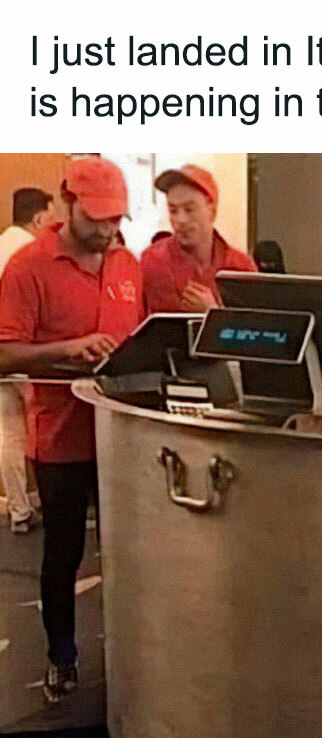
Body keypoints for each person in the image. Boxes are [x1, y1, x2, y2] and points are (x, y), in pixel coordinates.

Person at [0, 157, 143, 703]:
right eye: (98, 218)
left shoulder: (128, 266)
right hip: (61, 435)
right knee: (63, 552)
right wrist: (67, 349)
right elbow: (4, 351)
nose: (108, 230)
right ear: (66, 203)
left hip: (123, 434)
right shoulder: (29, 267)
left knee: (131, 552)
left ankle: (133, 657)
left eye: (116, 220)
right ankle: (61, 652)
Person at [0, 188, 56, 533]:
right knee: (38, 428)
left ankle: (19, 508)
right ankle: (38, 503)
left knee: (8, 432)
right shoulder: (30, 253)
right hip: (21, 350)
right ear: (38, 219)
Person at [141, 164, 255, 313]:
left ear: (212, 211)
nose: (180, 219)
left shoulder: (241, 266)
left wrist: (213, 312)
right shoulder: (151, 262)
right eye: (173, 210)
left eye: (189, 209)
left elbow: (253, 328)